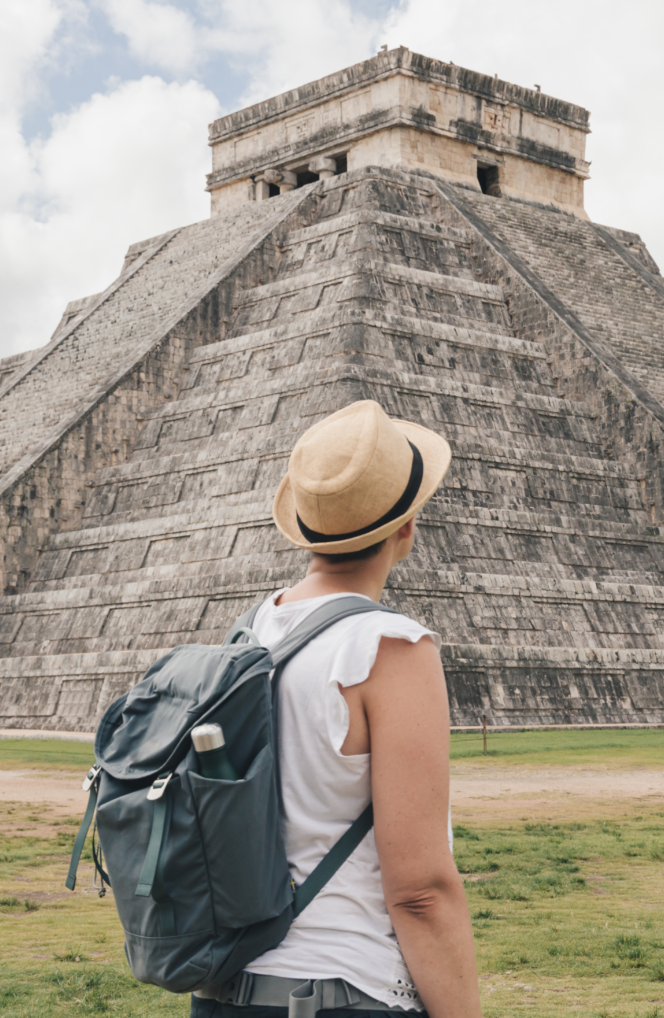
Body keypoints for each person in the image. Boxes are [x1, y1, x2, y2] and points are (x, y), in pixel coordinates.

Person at [190, 400, 482, 1018]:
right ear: (406, 528)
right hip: (340, 993)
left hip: (225, 993)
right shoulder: (389, 648)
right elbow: (421, 890)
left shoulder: (250, 634)